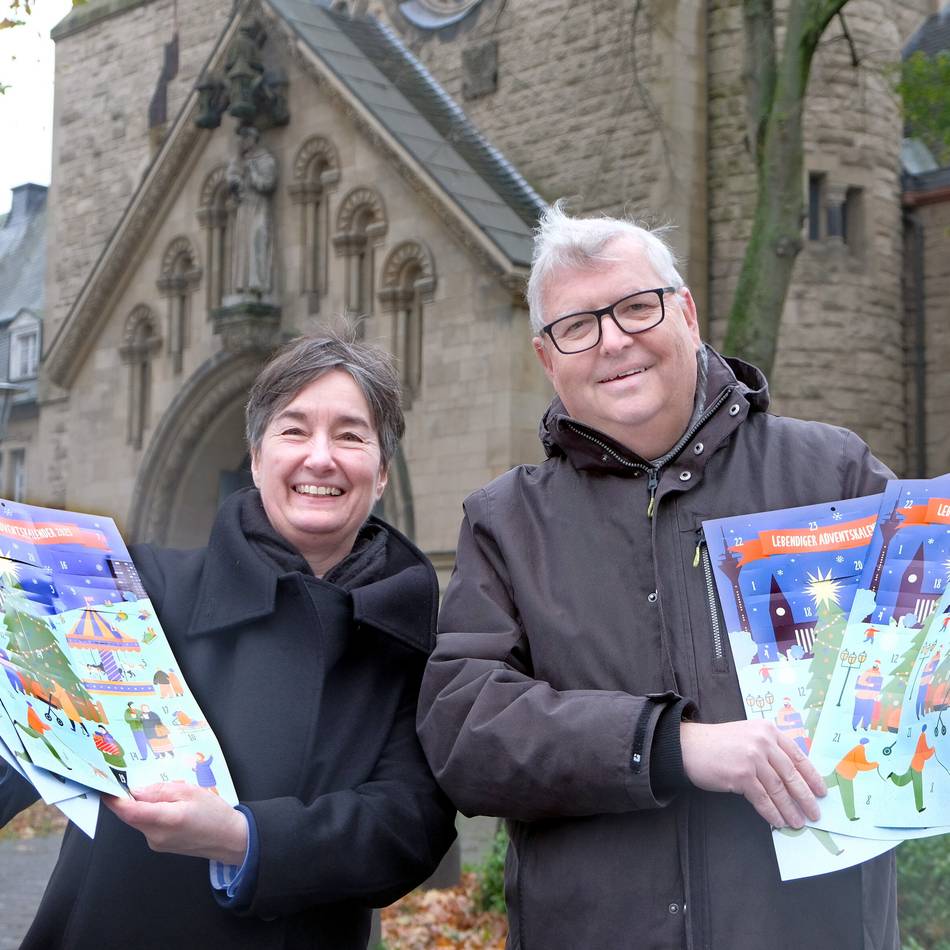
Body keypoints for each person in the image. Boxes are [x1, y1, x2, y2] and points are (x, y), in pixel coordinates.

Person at [417, 204, 898, 948]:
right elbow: (465, 731)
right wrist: (669, 745)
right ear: (548, 358)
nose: (614, 341)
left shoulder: (830, 473)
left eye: (638, 307)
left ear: (688, 314)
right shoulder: (506, 523)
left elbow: (922, 648)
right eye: (578, 326)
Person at [0, 328, 455, 949]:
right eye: (294, 430)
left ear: (379, 472)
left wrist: (241, 839)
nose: (320, 457)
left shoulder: (406, 639)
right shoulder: (136, 589)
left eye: (350, 434)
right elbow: (32, 732)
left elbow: (409, 827)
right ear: (257, 454)